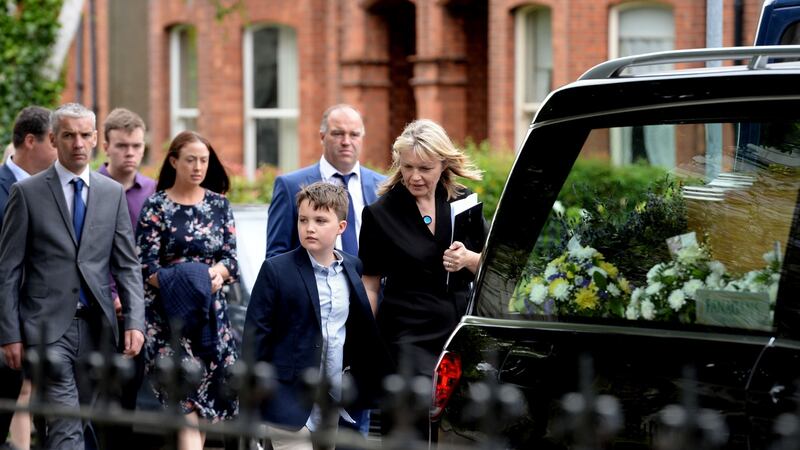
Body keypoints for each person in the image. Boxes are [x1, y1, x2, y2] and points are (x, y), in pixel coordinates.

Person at [0, 102, 145, 450]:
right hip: (46, 329)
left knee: (77, 421)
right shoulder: (27, 193)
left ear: (95, 138)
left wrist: (135, 321)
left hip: (97, 329)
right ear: (54, 138)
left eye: (84, 135)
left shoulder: (111, 194)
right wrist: (9, 333)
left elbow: (126, 264)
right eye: (68, 135)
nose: (78, 143)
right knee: (66, 421)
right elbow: (9, 269)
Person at [359, 119, 485, 435]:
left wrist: (467, 258)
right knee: (410, 427)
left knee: (458, 428)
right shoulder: (380, 214)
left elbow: (489, 263)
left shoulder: (463, 200)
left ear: (443, 164)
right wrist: (366, 341)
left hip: (457, 332)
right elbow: (370, 284)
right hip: (406, 337)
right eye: (407, 167)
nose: (415, 177)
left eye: (425, 168)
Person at [244, 182, 388, 450]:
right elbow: (256, 339)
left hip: (331, 399)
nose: (309, 227)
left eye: (320, 220)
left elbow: (357, 331)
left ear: (341, 227)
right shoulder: (276, 270)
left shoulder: (352, 267)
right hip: (286, 399)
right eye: (303, 220)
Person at [136, 130, 239, 450]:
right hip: (168, 320)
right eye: (191, 160)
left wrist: (215, 275)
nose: (198, 167)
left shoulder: (219, 205)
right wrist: (191, 281)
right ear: (173, 161)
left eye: (204, 160)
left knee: (206, 407)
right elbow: (145, 266)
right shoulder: (156, 206)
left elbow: (231, 261)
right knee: (185, 405)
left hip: (212, 318)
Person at [96, 107, 156, 449]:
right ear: (106, 146)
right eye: (122, 146)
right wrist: (111, 294)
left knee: (128, 399)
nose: (130, 153)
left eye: (136, 146)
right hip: (97, 306)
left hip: (140, 311)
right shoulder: (91, 187)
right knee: (95, 398)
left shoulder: (152, 191)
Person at [0, 106, 57, 450]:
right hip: (7, 326)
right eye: (55, 140)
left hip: (50, 324)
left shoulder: (57, 190)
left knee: (59, 423)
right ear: (31, 141)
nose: (61, 148)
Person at [266, 104, 386, 259]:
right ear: (322, 136)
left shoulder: (383, 186)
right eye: (338, 133)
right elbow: (275, 256)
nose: (346, 141)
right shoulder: (290, 186)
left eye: (354, 134)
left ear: (362, 138)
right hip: (312, 281)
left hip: (369, 281)